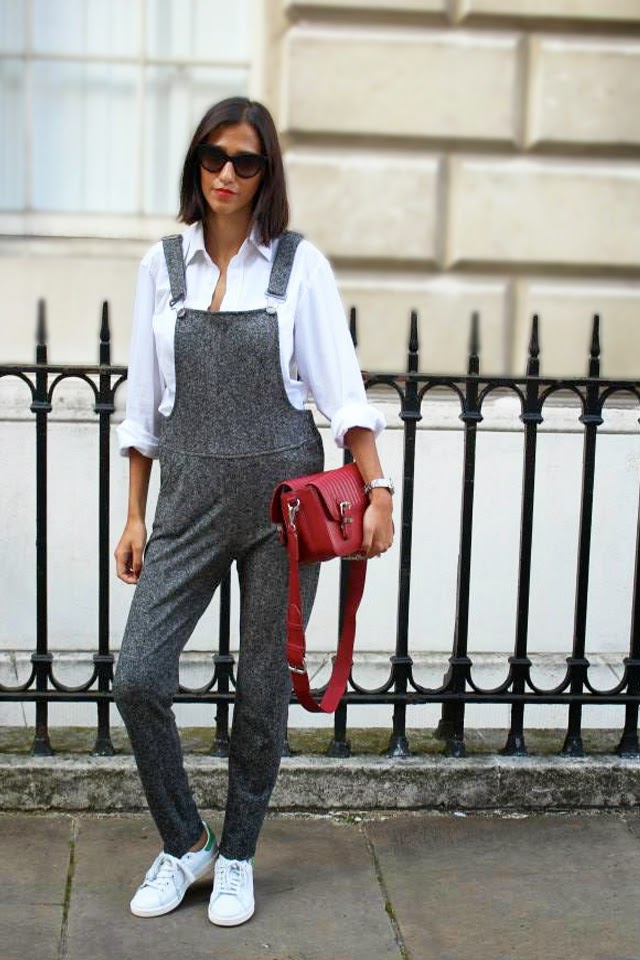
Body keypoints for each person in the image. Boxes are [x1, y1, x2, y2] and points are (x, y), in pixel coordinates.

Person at [112, 96, 394, 928]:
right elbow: (143, 408)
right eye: (214, 156)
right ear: (195, 164)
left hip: (284, 506)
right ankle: (187, 839)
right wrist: (134, 515)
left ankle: (237, 853)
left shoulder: (298, 267)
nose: (227, 174)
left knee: (264, 689)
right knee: (138, 676)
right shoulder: (161, 267)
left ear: (267, 172)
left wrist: (378, 489)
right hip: (187, 497)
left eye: (246, 160)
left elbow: (342, 393)